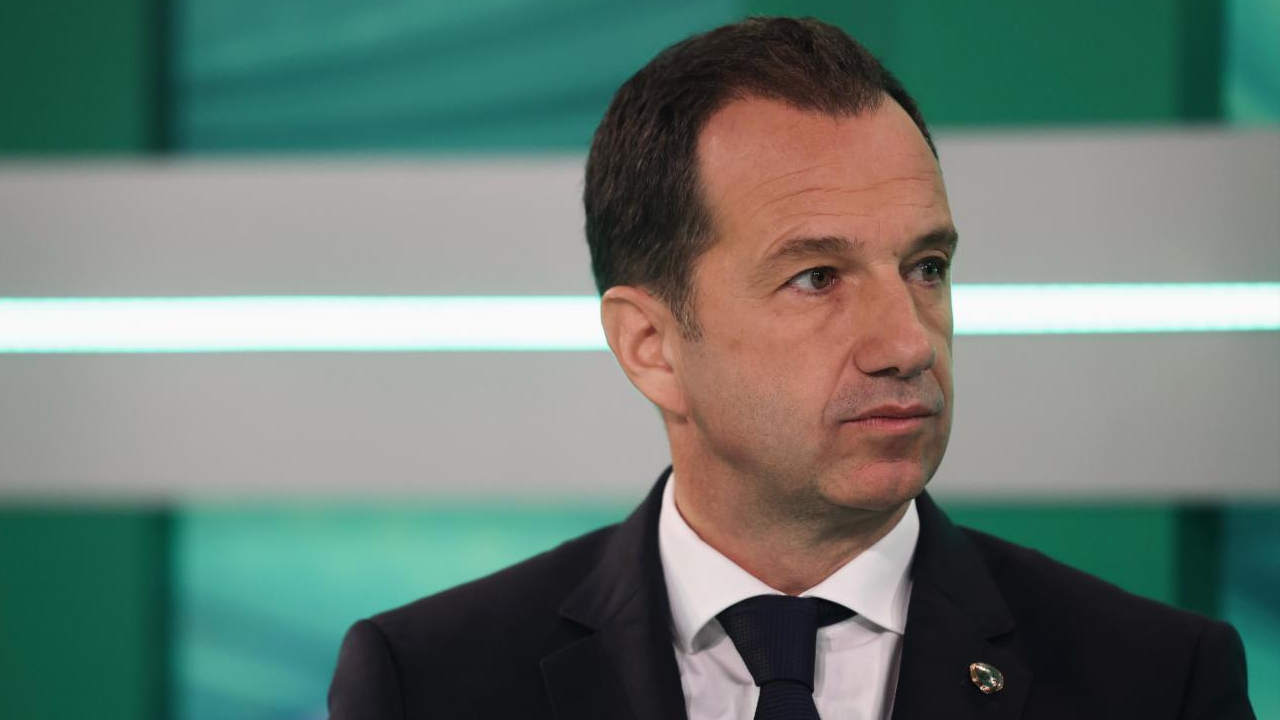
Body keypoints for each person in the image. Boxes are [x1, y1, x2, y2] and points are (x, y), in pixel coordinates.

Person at [327, 17, 1254, 720]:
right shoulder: (426, 682)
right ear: (650, 346)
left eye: (926, 267)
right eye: (817, 278)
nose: (908, 344)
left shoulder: (1158, 681)